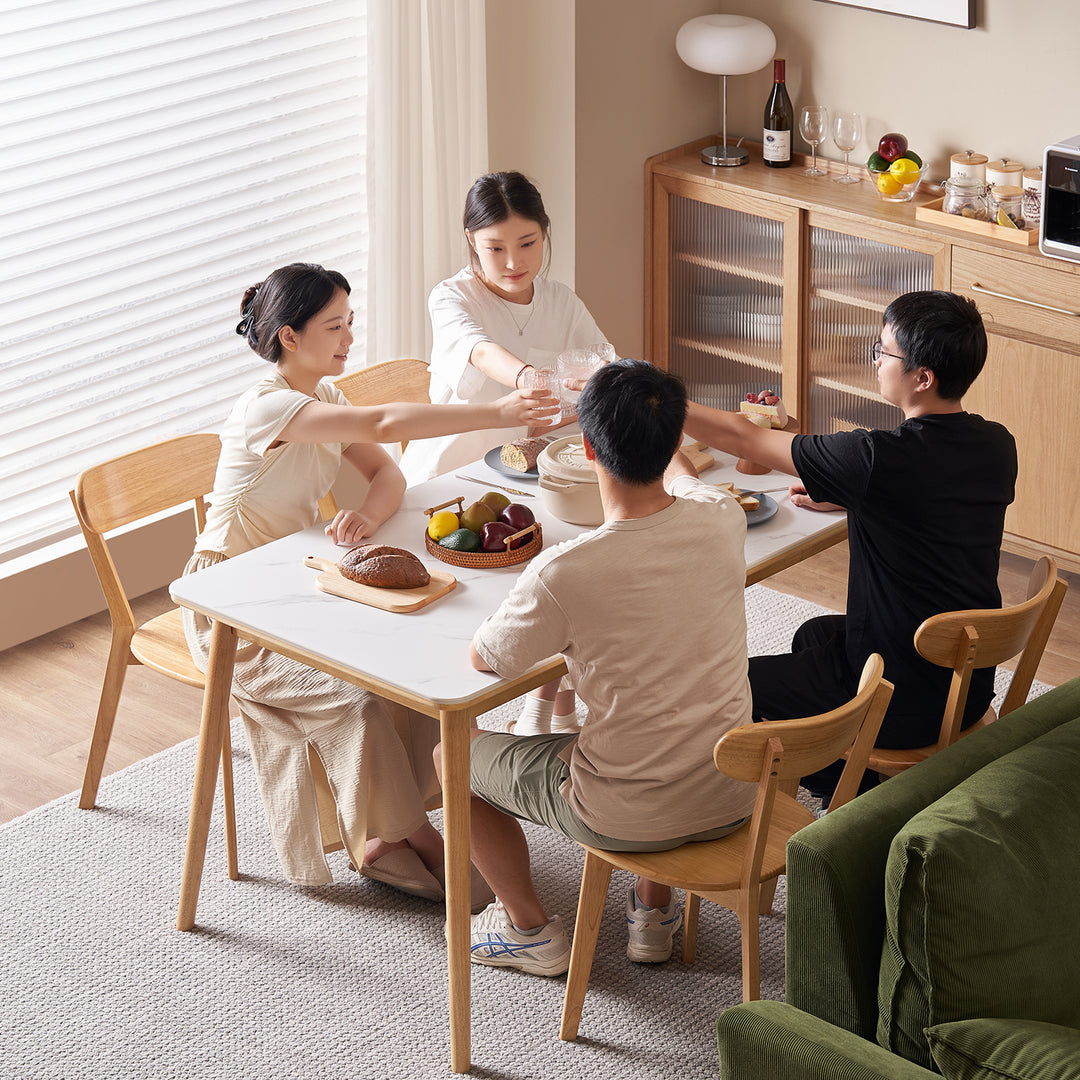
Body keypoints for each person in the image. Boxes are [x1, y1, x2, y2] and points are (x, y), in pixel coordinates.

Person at [181, 262, 557, 905]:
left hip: (294, 583)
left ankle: (386, 835)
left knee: (404, 673)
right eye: (334, 326)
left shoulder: (327, 398)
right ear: (290, 337)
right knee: (353, 700)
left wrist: (366, 514)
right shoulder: (266, 406)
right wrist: (495, 409)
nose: (348, 337)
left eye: (350, 321)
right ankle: (414, 838)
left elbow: (388, 475)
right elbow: (386, 427)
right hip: (228, 605)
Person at [434, 359, 758, 977]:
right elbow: (686, 484)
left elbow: (486, 657)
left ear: (585, 449)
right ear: (673, 441)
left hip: (624, 814)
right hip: (733, 791)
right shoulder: (724, 519)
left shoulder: (565, 570)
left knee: (449, 754)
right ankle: (651, 912)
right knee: (661, 700)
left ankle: (530, 931)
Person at [682, 290, 1017, 803]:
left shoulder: (876, 459)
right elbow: (938, 508)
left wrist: (653, 399)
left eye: (884, 352)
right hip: (964, 686)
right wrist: (859, 502)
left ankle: (846, 783)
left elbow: (747, 440)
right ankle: (845, 773)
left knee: (721, 690)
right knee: (813, 634)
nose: (877, 361)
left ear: (922, 377)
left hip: (897, 699)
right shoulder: (996, 444)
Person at [400, 171, 614, 737]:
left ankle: (553, 703)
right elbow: (478, 349)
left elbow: (599, 368)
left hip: (535, 475)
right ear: (471, 241)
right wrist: (526, 376)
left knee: (575, 571)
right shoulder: (450, 296)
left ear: (545, 236)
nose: (514, 262)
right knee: (474, 606)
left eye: (528, 244)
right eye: (495, 248)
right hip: (453, 478)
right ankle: (449, 730)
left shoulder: (561, 301)